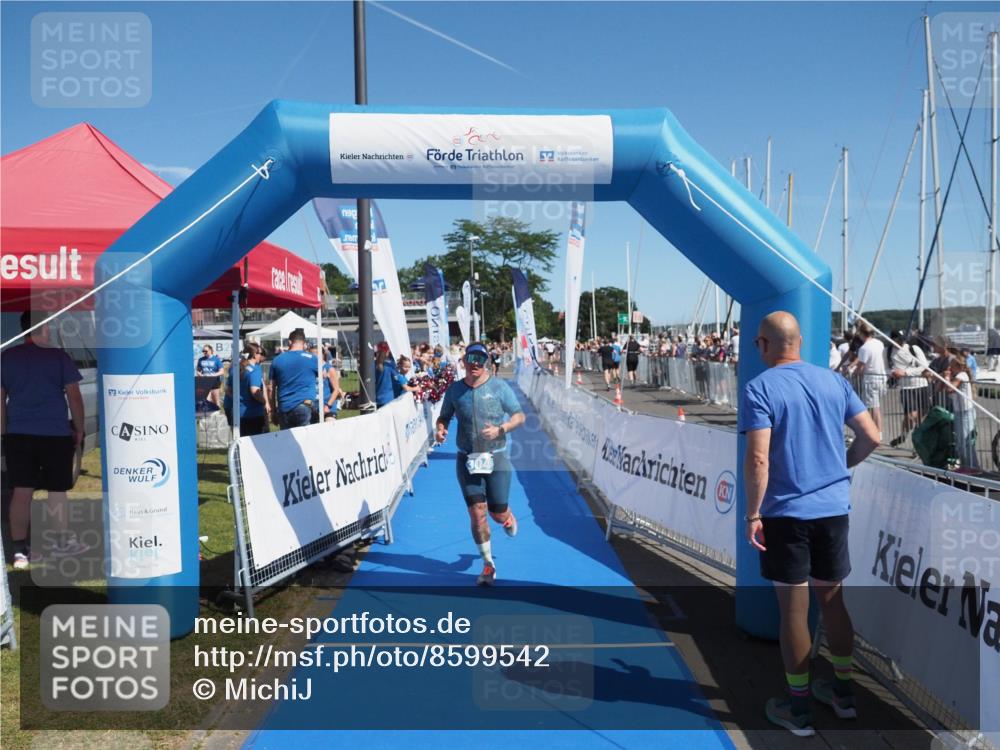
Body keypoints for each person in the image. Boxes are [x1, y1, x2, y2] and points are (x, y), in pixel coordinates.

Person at [740, 311, 880, 736]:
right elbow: (872, 436)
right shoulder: (834, 381)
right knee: (833, 602)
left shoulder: (760, 387)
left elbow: (759, 458)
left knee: (794, 612)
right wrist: (840, 468)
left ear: (763, 345)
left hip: (787, 513)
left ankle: (798, 709)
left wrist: (752, 513)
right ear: (799, 342)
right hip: (834, 509)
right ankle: (842, 693)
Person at [1, 312, 89, 569]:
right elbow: (75, 398)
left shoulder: (6, 357)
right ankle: (61, 542)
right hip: (55, 434)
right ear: (45, 328)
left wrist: (3, 433)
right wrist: (80, 429)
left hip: (18, 435)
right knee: (56, 491)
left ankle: (19, 551)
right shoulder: (59, 357)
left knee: (22, 491)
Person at [435, 342, 525, 586]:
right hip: (467, 459)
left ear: (486, 363)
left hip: (496, 458)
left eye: (480, 361)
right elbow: (443, 416)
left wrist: (501, 429)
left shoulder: (498, 387)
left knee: (496, 513)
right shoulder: (454, 390)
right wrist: (440, 430)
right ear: (463, 361)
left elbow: (519, 415)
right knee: (477, 514)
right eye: (471, 360)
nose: (475, 365)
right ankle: (488, 565)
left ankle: (506, 517)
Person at [268, 329, 319, 429]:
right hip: (304, 405)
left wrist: (273, 411)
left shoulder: (277, 360)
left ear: (290, 342)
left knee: (287, 442)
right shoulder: (312, 358)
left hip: (284, 408)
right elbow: (324, 375)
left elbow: (271, 389)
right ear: (304, 343)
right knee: (304, 442)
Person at [889, 330, 930, 447]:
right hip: (906, 387)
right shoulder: (888, 352)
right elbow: (886, 368)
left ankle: (918, 445)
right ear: (893, 339)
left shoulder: (914, 348)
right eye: (899, 339)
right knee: (911, 416)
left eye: (903, 339)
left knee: (921, 418)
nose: (902, 341)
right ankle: (904, 435)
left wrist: (906, 372)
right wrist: (893, 372)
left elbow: (924, 366)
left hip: (921, 384)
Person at [224, 343, 271, 435]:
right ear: (254, 354)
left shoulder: (236, 368)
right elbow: (254, 391)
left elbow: (228, 390)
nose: (261, 356)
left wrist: (240, 399)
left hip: (238, 413)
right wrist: (264, 401)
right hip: (254, 414)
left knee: (242, 444)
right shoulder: (255, 370)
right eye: (260, 353)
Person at [854, 322, 887, 439]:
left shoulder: (864, 348)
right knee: (876, 407)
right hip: (882, 377)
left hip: (870, 379)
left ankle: (877, 433)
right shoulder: (879, 343)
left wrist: (854, 374)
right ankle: (879, 432)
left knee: (873, 407)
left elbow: (861, 366)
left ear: (861, 333)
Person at [947, 356, 979, 469]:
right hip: (960, 411)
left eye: (951, 365)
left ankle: (972, 467)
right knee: (961, 442)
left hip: (965, 412)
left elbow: (950, 388)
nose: (949, 368)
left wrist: (946, 377)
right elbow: (951, 394)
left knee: (965, 442)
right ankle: (966, 466)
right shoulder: (959, 376)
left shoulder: (961, 375)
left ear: (957, 366)